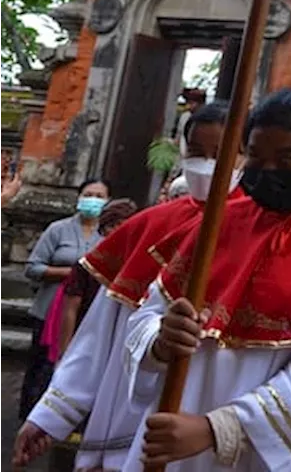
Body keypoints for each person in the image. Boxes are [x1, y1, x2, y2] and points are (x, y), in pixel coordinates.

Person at [118, 89, 291, 470]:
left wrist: (214, 429)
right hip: (179, 422)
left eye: (286, 158)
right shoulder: (217, 222)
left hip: (279, 449)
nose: (266, 170)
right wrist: (161, 339)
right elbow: (148, 315)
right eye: (255, 155)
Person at [14, 103, 237, 472]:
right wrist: (52, 414)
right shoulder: (151, 225)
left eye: (222, 154)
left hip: (202, 431)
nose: (208, 164)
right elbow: (99, 332)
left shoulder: (262, 236)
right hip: (122, 416)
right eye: (197, 153)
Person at [18, 178, 109, 419]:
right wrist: (71, 275)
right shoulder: (58, 229)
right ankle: (30, 414)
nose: (93, 200)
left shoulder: (108, 236)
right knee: (39, 366)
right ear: (79, 198)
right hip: (48, 311)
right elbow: (33, 268)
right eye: (89, 194)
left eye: (99, 196)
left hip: (85, 315)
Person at [57, 198, 138, 356]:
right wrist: (64, 352)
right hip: (86, 335)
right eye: (115, 226)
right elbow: (70, 309)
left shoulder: (137, 266)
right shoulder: (87, 265)